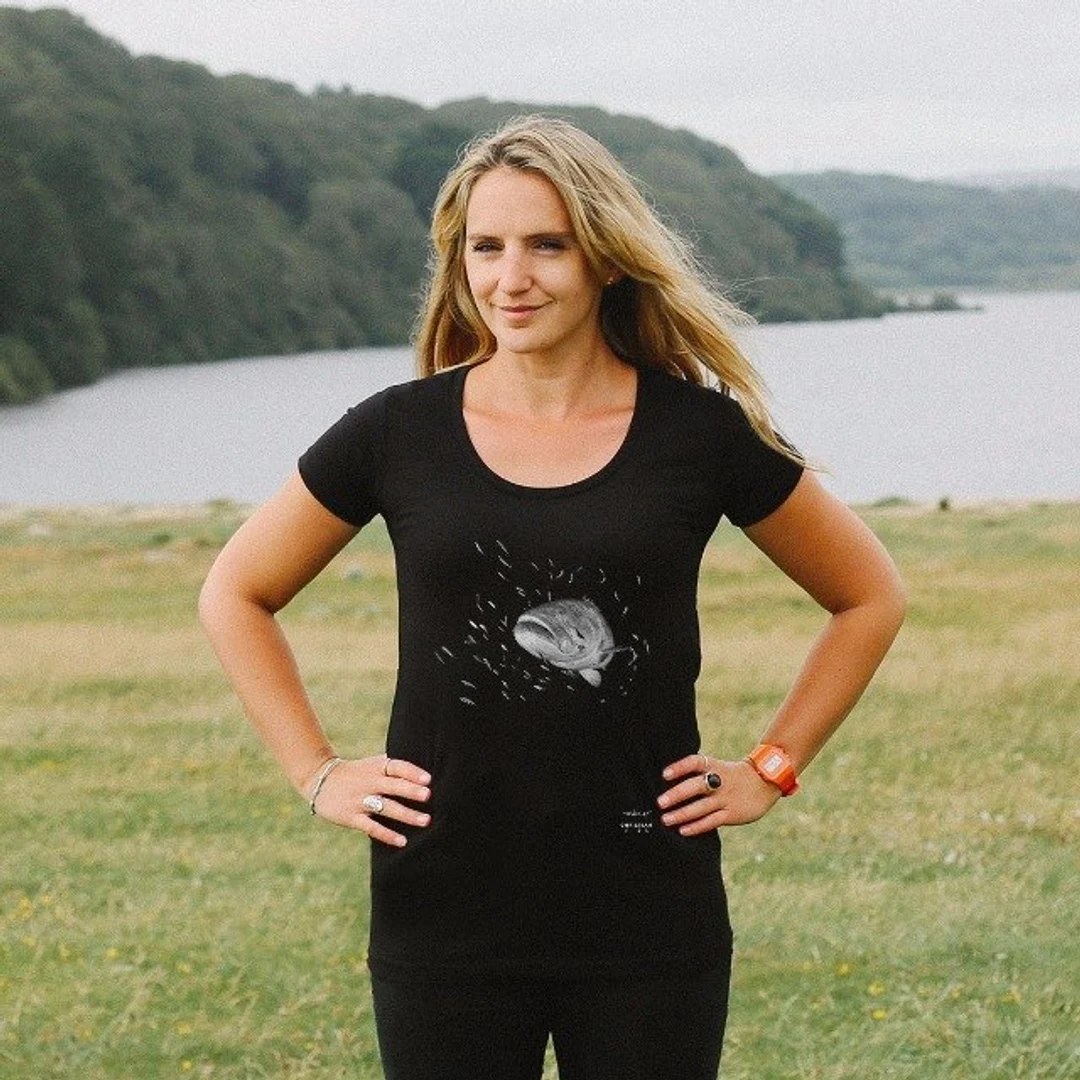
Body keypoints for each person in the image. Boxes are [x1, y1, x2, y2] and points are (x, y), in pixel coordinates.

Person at [199, 115, 906, 1080]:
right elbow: (236, 590)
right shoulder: (394, 433)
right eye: (485, 248)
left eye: (547, 245)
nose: (511, 278)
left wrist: (771, 767)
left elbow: (868, 595)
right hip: (443, 911)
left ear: (605, 258)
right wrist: (316, 772)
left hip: (647, 912)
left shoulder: (700, 434)